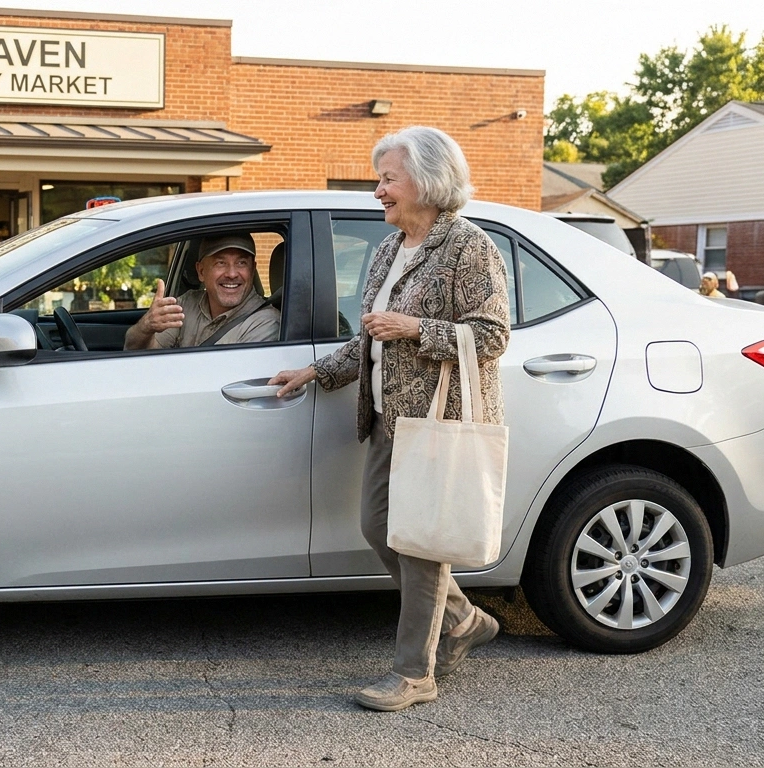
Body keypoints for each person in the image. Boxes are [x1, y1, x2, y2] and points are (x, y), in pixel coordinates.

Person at [269, 126, 511, 712]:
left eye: (387, 178)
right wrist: (316, 372)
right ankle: (464, 621)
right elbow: (369, 341)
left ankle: (414, 674)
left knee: (422, 546)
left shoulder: (467, 246)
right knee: (380, 528)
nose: (378, 190)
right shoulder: (387, 250)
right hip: (387, 420)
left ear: (427, 181)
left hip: (437, 422)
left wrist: (415, 329)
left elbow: (493, 335)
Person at [124, 233, 279, 349]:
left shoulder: (266, 322)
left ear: (252, 270)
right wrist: (146, 326)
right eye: (220, 263)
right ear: (201, 271)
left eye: (241, 263)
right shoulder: (186, 304)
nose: (232, 274)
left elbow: (227, 384)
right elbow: (141, 355)